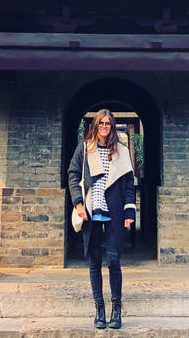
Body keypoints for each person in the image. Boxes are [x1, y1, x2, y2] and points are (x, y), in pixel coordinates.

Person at [68, 109, 136, 330]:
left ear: (112, 126)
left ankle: (117, 310)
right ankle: (100, 310)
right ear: (95, 126)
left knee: (114, 261)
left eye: (108, 123)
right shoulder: (85, 149)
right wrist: (78, 202)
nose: (104, 127)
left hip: (114, 210)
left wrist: (128, 213)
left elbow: (128, 184)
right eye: (101, 123)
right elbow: (73, 174)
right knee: (94, 261)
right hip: (91, 209)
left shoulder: (122, 152)